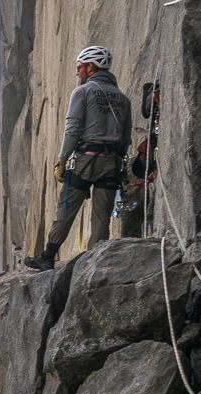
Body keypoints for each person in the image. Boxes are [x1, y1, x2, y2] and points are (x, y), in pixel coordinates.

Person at [24, 45, 132, 270]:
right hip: (111, 162)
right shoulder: (123, 99)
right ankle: (96, 263)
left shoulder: (82, 92)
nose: (77, 72)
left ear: (91, 67)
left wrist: (62, 160)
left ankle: (47, 256)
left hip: (86, 160)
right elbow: (126, 136)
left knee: (67, 207)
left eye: (80, 67)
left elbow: (72, 128)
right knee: (102, 216)